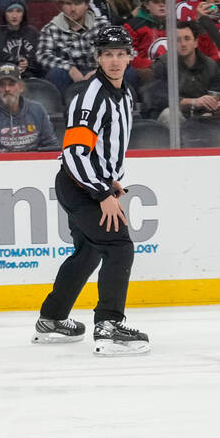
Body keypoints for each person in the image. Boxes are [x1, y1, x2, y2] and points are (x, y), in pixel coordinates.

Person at [33, 26, 147, 355]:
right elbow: (74, 153)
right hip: (79, 185)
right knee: (119, 247)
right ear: (97, 58)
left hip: (90, 183)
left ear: (129, 57)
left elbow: (101, 147)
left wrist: (109, 179)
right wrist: (102, 194)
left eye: (120, 53)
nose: (114, 60)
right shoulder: (90, 96)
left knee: (88, 252)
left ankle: (52, 319)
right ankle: (109, 325)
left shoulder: (124, 93)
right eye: (107, 54)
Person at [144, 19, 220, 118]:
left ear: (196, 42)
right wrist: (192, 102)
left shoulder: (210, 65)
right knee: (169, 114)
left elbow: (218, 95)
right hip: (174, 120)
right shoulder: (163, 64)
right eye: (178, 40)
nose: (183, 44)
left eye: (187, 39)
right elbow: (157, 99)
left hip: (203, 116)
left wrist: (218, 107)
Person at [36, 0, 106, 91]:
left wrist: (99, 70)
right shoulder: (51, 28)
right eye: (68, 4)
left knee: (125, 71)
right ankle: (63, 107)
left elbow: (117, 50)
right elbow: (42, 55)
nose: (73, 9)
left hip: (98, 71)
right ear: (61, 6)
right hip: (67, 76)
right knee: (56, 73)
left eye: (77, 3)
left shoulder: (102, 24)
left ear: (87, 5)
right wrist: (70, 68)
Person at [0, 64, 58, 152]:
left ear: (21, 87)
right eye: (2, 85)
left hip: (34, 163)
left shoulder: (37, 109)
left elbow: (51, 146)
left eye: (11, 84)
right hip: (1, 164)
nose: (7, 89)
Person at [0, 0, 43, 80]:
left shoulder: (32, 33)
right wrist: (8, 67)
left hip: (28, 78)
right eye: (10, 11)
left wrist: (28, 63)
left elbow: (41, 60)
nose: (14, 15)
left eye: (19, 11)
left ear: (24, 14)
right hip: (1, 79)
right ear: (4, 14)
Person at [122, 0, 167, 85]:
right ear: (147, 5)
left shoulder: (177, 25)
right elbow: (127, 53)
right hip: (144, 72)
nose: (162, 5)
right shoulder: (134, 25)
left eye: (165, 1)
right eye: (156, 1)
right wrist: (149, 66)